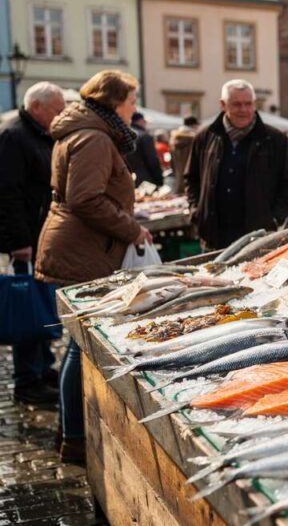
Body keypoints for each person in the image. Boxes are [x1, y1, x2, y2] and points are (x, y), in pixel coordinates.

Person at [35, 70, 152, 462]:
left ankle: (71, 432)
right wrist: (131, 227)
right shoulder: (95, 137)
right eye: (132, 100)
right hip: (82, 250)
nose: (135, 108)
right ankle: (75, 438)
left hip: (79, 245)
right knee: (79, 345)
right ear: (115, 101)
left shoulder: (87, 130)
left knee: (77, 343)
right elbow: (86, 198)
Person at [0, 82, 65, 404]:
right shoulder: (14, 136)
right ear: (37, 107)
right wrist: (19, 241)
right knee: (26, 307)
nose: (61, 115)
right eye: (57, 109)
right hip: (24, 239)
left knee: (40, 303)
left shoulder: (38, 134)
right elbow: (7, 194)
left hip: (38, 234)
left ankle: (43, 368)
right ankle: (27, 379)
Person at [185, 80, 288, 250]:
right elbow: (191, 179)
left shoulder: (275, 139)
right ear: (223, 105)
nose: (244, 110)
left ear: (254, 104)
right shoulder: (205, 136)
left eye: (248, 104)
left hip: (259, 236)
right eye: (237, 104)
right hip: (214, 235)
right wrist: (197, 213)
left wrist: (275, 217)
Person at [125, 111, 163, 187]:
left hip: (127, 178)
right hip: (145, 179)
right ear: (140, 121)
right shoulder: (145, 136)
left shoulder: (124, 134)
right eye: (145, 121)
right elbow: (152, 160)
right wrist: (159, 180)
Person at [170, 116, 199, 194]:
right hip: (191, 180)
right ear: (193, 125)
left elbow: (172, 161)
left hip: (178, 179)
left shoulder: (174, 138)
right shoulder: (194, 138)